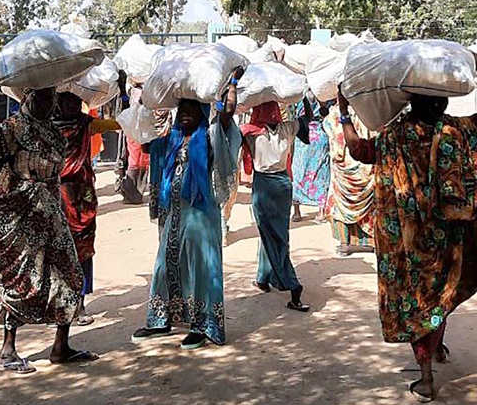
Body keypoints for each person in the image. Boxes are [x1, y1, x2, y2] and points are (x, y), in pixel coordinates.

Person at [338, 56, 477, 402]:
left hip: (408, 242)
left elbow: (357, 149)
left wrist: (344, 112)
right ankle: (430, 361)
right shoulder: (457, 130)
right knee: (439, 295)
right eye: (435, 98)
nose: (439, 103)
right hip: (448, 238)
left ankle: (428, 373)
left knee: (419, 300)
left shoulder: (394, 137)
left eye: (440, 98)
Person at [0, 87, 96, 374]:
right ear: (27, 98)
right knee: (21, 281)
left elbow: (56, 171)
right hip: (20, 217)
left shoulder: (52, 132)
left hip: (51, 215)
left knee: (69, 275)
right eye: (40, 98)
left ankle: (60, 347)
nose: (46, 103)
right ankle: (8, 350)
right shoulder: (11, 128)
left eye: (49, 98)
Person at [132, 75, 243, 349]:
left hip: (201, 216)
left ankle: (203, 325)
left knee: (202, 269)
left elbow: (227, 113)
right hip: (175, 215)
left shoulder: (211, 137)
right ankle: (160, 320)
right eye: (182, 110)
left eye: (192, 110)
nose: (185, 115)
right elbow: (145, 143)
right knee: (165, 265)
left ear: (202, 113)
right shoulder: (171, 140)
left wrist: (232, 84)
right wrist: (142, 101)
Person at [54, 85, 125, 305]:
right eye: (67, 102)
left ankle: (79, 300)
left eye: (75, 102)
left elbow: (119, 124)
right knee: (62, 246)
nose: (72, 106)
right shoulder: (49, 128)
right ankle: (66, 299)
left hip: (76, 195)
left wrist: (122, 92)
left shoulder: (86, 125)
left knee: (81, 245)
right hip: (65, 194)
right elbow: (118, 123)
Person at [242, 100, 312, 311]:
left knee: (270, 234)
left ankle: (292, 285)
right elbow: (307, 118)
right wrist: (304, 98)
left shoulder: (249, 132)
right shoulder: (288, 127)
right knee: (277, 233)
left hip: (263, 184)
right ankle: (263, 277)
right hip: (283, 184)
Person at [323, 107, 375, 255]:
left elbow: (328, 127)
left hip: (344, 164)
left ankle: (345, 243)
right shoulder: (368, 107)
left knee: (341, 204)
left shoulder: (336, 112)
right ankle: (370, 240)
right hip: (364, 164)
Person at [290, 93, 332, 222]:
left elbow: (293, 114)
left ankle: (297, 212)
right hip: (320, 134)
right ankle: (321, 211)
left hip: (303, 135)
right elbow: (327, 114)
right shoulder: (325, 93)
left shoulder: (298, 94)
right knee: (321, 172)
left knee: (298, 171)